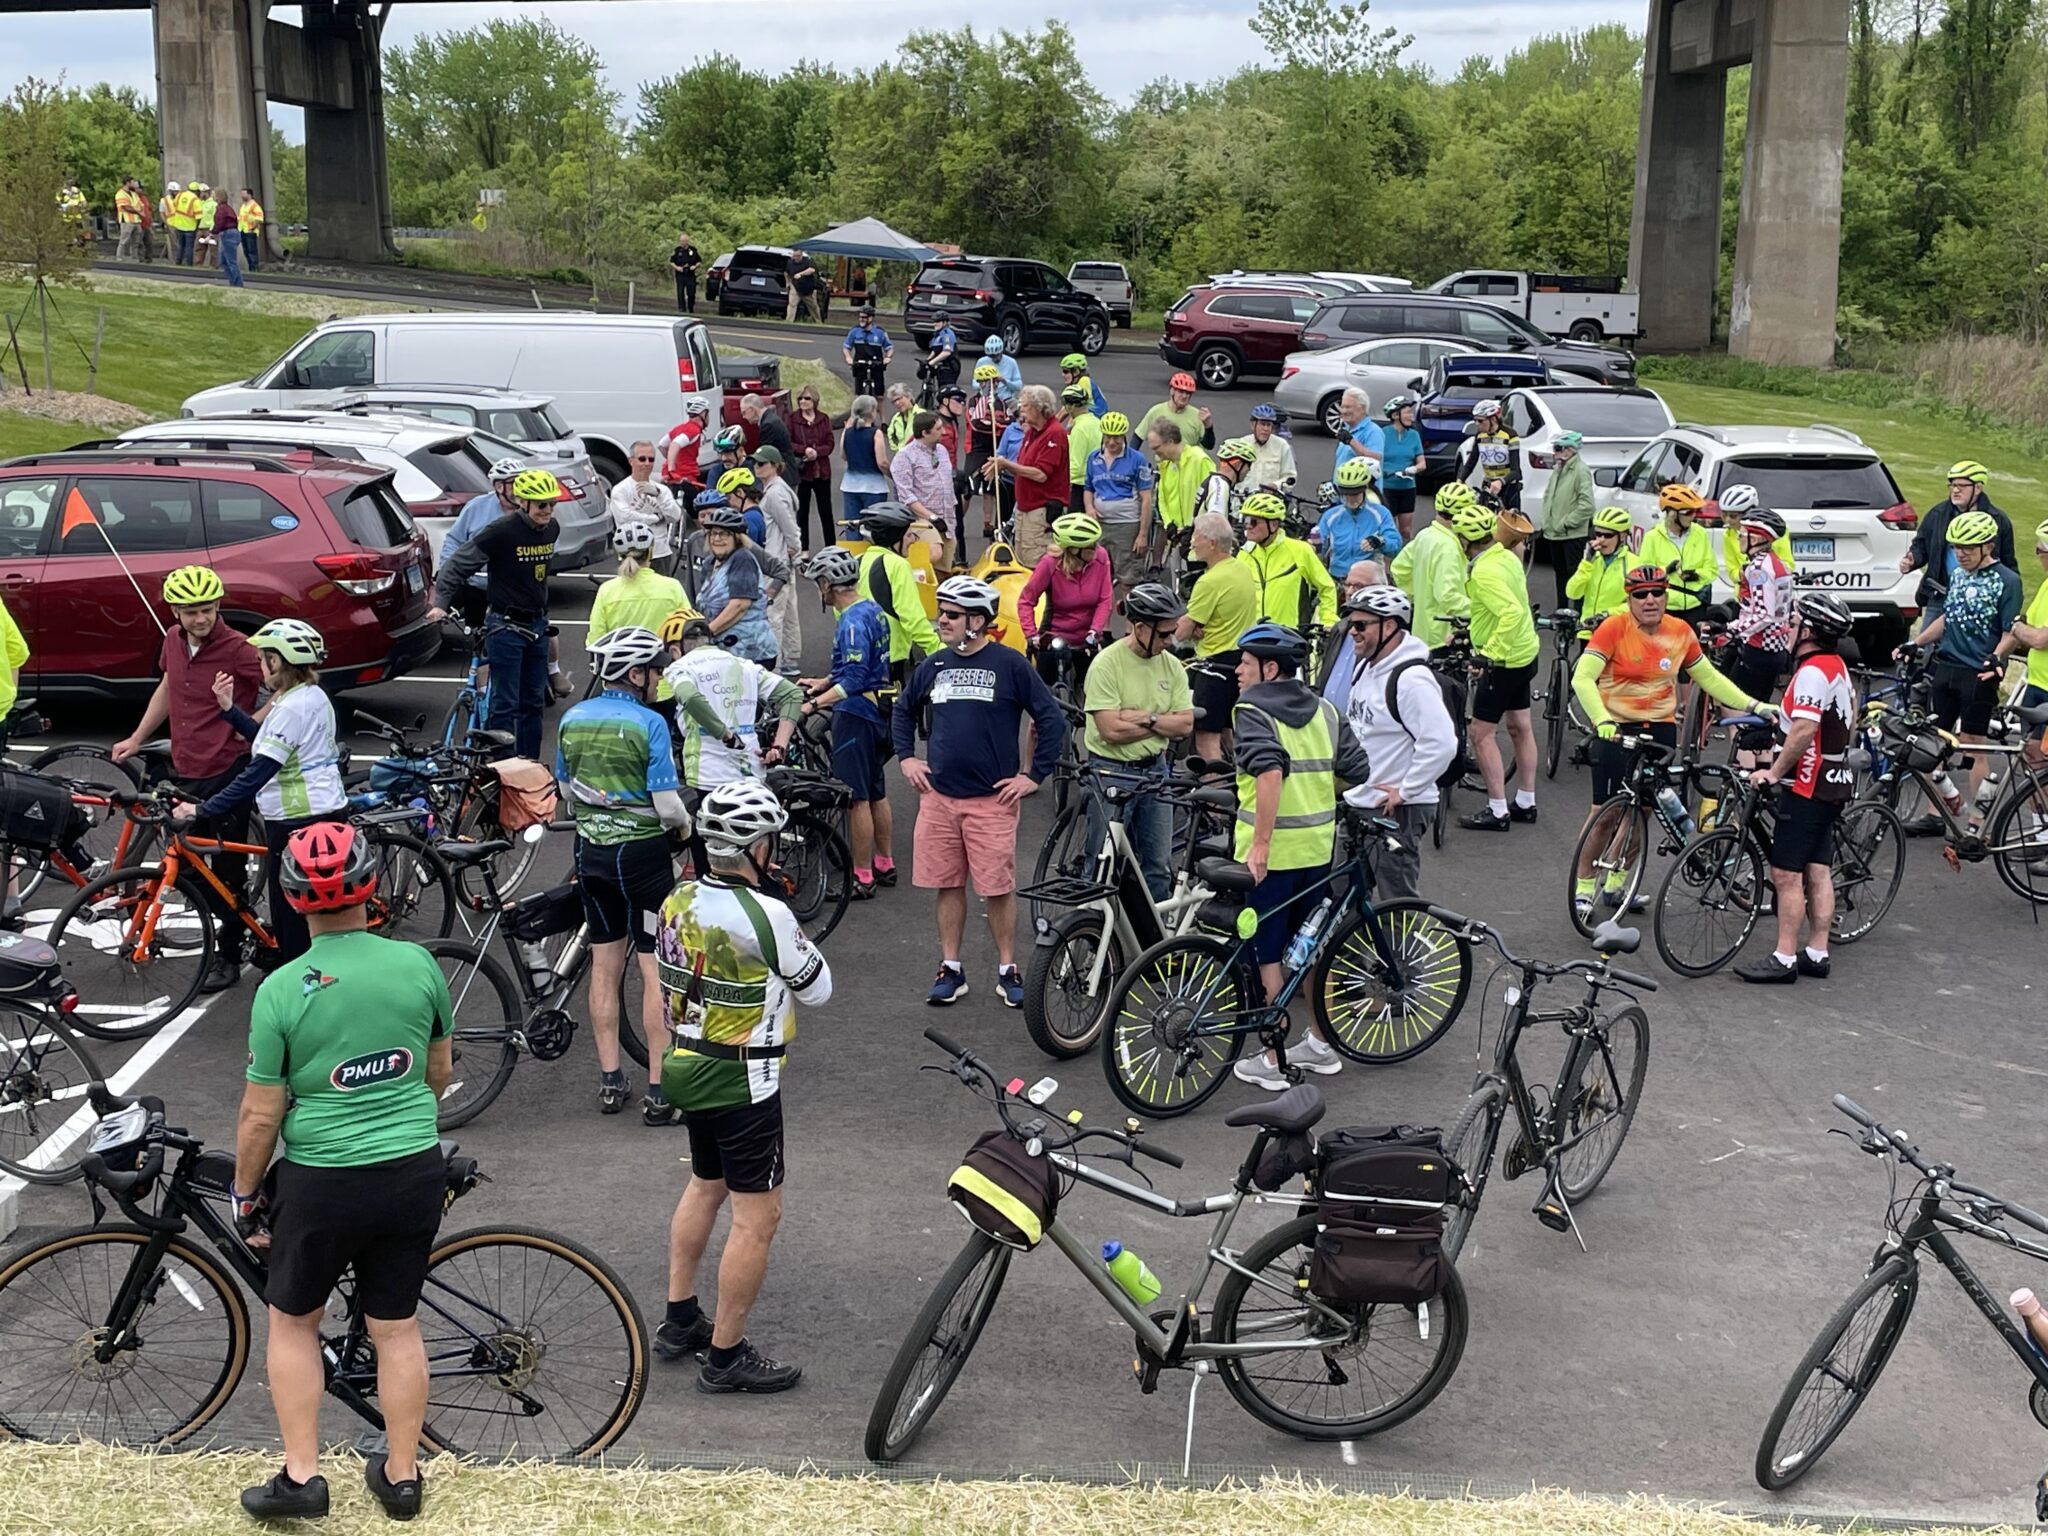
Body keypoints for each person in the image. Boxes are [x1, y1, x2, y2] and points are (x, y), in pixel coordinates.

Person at [232, 821, 453, 1522]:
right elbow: (439, 1074)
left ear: (295, 901)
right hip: (413, 1169)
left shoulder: (281, 989)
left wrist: (244, 1193)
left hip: (322, 1180)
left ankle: (302, 1478)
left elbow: (260, 1117)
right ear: (372, 890)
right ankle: (402, 1473)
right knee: (397, 1327)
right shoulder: (418, 967)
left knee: (294, 1322)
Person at [655, 780, 831, 1394]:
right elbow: (819, 987)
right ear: (757, 847)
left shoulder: (677, 897)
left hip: (687, 1061)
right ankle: (725, 1355)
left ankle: (680, 1319)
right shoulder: (769, 913)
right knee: (758, 1218)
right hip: (745, 1076)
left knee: (706, 1183)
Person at [893, 576, 1065, 1007]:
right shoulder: (933, 665)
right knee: (947, 884)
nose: (941, 621)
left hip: (992, 801)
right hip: (939, 799)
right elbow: (902, 710)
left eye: (950, 615)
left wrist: (1033, 775)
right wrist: (906, 758)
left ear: (977, 620)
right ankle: (951, 968)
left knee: (997, 888)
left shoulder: (1010, 665)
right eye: (941, 613)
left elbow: (1052, 719)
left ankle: (1008, 968)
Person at [1568, 564, 1771, 924]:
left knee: (1645, 812)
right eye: (1640, 594)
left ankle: (1616, 884)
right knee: (1606, 813)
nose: (1650, 600)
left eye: (1657, 592)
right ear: (1628, 599)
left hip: (1659, 730)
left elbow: (1708, 676)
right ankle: (1584, 887)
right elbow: (1583, 677)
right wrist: (1601, 719)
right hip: (1616, 729)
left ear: (1666, 596)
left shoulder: (1680, 631)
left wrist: (1754, 705)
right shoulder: (1613, 628)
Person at [1227, 621, 1372, 1090]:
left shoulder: (1250, 709)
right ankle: (1321, 1045)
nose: (1238, 672)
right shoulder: (1326, 709)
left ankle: (1272, 1060)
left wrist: (1261, 844)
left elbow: (1269, 771)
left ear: (1270, 668)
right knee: (1309, 947)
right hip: (1317, 848)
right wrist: (1318, 797)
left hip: (1270, 856)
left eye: (1245, 664)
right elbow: (1357, 769)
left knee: (1268, 952)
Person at [558, 627, 695, 1117]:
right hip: (641, 858)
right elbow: (667, 805)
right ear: (635, 674)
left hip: (590, 854)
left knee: (604, 965)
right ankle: (660, 1092)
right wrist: (684, 828)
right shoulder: (649, 723)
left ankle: (611, 1081)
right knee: (652, 968)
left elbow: (568, 792)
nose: (657, 678)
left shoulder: (571, 719)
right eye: (654, 669)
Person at [112, 565, 266, 990]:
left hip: (228, 770)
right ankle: (243, 919)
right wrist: (138, 737)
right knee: (191, 865)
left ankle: (230, 955)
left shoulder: (239, 649)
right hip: (187, 767)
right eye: (191, 611)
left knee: (227, 869)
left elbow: (292, 686)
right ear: (175, 612)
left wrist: (251, 722)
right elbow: (167, 686)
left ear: (218, 606)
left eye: (208, 609)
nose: (201, 619)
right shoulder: (172, 642)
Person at [174, 619, 347, 968]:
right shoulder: (308, 696)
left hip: (299, 818)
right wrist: (229, 709)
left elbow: (257, 773)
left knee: (291, 915)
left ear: (278, 661)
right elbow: (265, 740)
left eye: (263, 658)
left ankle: (299, 986)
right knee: (300, 909)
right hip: (319, 809)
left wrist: (200, 810)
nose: (260, 665)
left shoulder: (290, 708)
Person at [1737, 594, 1860, 984]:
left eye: (1794, 622)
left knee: (1786, 874)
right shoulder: (1836, 666)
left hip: (1806, 787)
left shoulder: (1810, 673)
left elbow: (1805, 730)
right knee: (1818, 867)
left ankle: (1784, 957)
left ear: (1808, 631)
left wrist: (1773, 771)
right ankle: (1817, 952)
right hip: (1834, 784)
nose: (1788, 627)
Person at [431, 467, 563, 759]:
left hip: (537, 625)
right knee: (505, 704)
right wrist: (441, 602)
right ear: (523, 503)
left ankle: (529, 767)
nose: (548, 511)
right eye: (542, 505)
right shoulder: (501, 531)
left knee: (533, 703)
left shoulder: (551, 529)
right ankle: (501, 770)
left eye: (552, 504)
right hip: (506, 627)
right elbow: (456, 564)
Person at [1905, 510, 2024, 828]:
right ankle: (1936, 814)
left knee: (1972, 744)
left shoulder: (2007, 581)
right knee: (1936, 743)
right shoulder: (1957, 574)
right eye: (1956, 547)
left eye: (1968, 548)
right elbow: (1947, 618)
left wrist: (1997, 658)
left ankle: (1977, 821)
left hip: (1978, 673)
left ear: (1988, 546)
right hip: (1946, 667)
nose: (1961, 554)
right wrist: (1916, 643)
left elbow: (2010, 631)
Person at [1336, 586, 1456, 900]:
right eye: (1352, 624)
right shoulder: (1366, 666)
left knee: (1396, 903)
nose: (1353, 632)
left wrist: (1406, 790)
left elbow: (1442, 742)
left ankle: (1400, 951)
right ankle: (1351, 951)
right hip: (1360, 803)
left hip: (1396, 811)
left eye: (1361, 625)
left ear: (1389, 626)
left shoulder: (1411, 680)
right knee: (1338, 898)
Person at [1081, 582, 1195, 901]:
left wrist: (1145, 718)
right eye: (1163, 634)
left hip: (1155, 772)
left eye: (1172, 632)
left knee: (1157, 865)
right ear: (1140, 628)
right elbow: (1110, 731)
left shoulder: (1172, 666)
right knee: (1100, 863)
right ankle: (1088, 936)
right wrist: (1162, 723)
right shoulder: (1107, 664)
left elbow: (1185, 725)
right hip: (1110, 771)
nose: (1170, 640)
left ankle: (1151, 948)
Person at [800, 549, 896, 899]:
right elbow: (863, 667)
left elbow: (854, 679)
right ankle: (885, 864)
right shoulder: (872, 610)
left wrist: (814, 704)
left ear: (828, 583)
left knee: (855, 798)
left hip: (856, 715)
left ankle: (862, 877)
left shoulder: (851, 622)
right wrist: (824, 682)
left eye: (818, 584)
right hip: (880, 709)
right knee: (876, 792)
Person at [1453, 501, 1541, 832]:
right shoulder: (1504, 556)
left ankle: (1497, 809)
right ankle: (1526, 801)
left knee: (1481, 733)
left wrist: (1487, 653)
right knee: (1520, 726)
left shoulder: (1484, 571)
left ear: (1465, 541)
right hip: (1525, 653)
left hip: (1502, 661)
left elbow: (1510, 613)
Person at [658, 607, 800, 789]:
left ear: (675, 651)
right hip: (752, 771)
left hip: (708, 774)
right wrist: (778, 746)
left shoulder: (681, 667)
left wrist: (725, 734)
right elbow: (792, 694)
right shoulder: (744, 665)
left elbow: (690, 697)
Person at [1178, 511, 1263, 762]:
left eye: (1197, 537)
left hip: (1212, 666)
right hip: (1239, 662)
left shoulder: (1209, 581)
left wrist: (1190, 628)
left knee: (1206, 740)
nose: (1192, 542)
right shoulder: (1242, 569)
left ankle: (1214, 798)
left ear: (1213, 543)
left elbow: (1180, 633)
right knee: (1229, 733)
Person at [1902, 460, 2016, 606]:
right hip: (1940, 594)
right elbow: (1921, 544)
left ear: (1978, 488)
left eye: (1962, 486)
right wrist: (1913, 560)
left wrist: (2009, 599)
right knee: (1929, 630)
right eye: (1953, 485)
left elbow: (2007, 561)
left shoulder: (1998, 520)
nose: (1955, 490)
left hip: (1980, 597)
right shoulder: (1938, 514)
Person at [1019, 513, 1115, 686]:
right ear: (1072, 550)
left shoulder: (1101, 557)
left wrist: (1095, 631)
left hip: (1087, 636)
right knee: (1042, 695)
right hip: (1055, 635)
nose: (1095, 549)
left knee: (1096, 689)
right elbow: (1026, 601)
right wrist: (1031, 635)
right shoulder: (1049, 564)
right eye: (1089, 547)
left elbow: (1105, 599)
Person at [1722, 501, 1797, 705]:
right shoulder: (1776, 562)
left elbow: (1764, 614)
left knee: (1734, 703)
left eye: (1743, 533)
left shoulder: (1758, 569)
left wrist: (1732, 629)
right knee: (1759, 704)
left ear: (1755, 538)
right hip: (1776, 648)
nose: (1738, 537)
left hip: (1759, 648)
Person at [987, 384, 1068, 569]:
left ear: (1039, 408)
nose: (1020, 409)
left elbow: (1041, 474)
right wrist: (999, 464)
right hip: (1025, 507)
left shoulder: (1054, 433)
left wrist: (1007, 465)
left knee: (1036, 561)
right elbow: (1024, 464)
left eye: (1025, 406)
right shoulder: (1031, 431)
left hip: (1040, 510)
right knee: (1022, 557)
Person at [1237, 491, 1338, 638]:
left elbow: (1327, 587)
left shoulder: (1300, 550)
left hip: (1290, 637)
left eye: (1253, 521)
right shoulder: (1244, 554)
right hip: (1251, 636)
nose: (1248, 527)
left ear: (1273, 524)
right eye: (1245, 520)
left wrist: (1328, 620)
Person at [693, 504, 779, 670]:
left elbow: (739, 605)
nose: (717, 539)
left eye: (724, 534)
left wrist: (707, 634)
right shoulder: (711, 562)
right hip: (725, 649)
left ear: (737, 538)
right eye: (713, 533)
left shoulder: (742, 559)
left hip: (750, 652)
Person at [1390, 484, 1475, 649]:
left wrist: (1419, 597)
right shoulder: (1449, 548)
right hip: (1444, 635)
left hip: (1421, 630)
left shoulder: (1425, 535)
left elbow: (1399, 569)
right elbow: (1447, 596)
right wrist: (1481, 610)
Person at [1081, 410, 1156, 581]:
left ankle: (1127, 606)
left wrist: (1142, 534)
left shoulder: (1137, 459)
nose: (1111, 442)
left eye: (1117, 438)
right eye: (1108, 437)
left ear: (1124, 437)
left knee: (1128, 577)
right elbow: (1088, 488)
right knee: (1097, 576)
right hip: (1100, 526)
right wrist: (1089, 508)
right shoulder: (1094, 457)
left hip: (1126, 525)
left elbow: (1146, 498)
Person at [591, 522, 688, 644]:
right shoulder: (672, 587)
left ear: (620, 555)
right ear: (651, 552)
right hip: (663, 658)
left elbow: (595, 638)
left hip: (619, 659)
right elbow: (686, 628)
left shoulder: (607, 590)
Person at [1142, 419, 1214, 578]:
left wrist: (1194, 528)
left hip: (1198, 540)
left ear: (1170, 442)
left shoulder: (1199, 459)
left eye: (1157, 448)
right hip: (1177, 540)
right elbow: (1162, 499)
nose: (1155, 454)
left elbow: (1212, 497)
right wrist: (1170, 525)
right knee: (1178, 588)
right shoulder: (1165, 464)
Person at [890, 409, 957, 569]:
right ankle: (899, 569)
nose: (944, 432)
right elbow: (906, 496)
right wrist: (932, 517)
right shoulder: (904, 456)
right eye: (939, 429)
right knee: (934, 553)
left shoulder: (941, 451)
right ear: (925, 433)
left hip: (947, 518)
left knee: (943, 570)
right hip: (921, 519)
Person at [1636, 483, 1715, 616]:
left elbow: (1712, 570)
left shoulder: (1700, 533)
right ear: (1672, 514)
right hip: (1665, 608)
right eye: (1688, 512)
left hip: (1695, 606)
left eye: (1695, 511)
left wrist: (1696, 575)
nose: (1693, 516)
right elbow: (1644, 575)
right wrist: (1665, 571)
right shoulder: (1652, 537)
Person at [1537, 430, 1595, 608]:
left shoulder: (1581, 471)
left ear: (1570, 450)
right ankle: (1561, 610)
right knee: (1560, 574)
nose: (1555, 453)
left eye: (1558, 448)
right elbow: (1550, 497)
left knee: (1575, 575)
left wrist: (1566, 523)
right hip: (1555, 533)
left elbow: (1587, 505)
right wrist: (1547, 523)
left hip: (1572, 535)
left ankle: (1578, 613)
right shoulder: (1558, 469)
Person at [1315, 458, 1402, 574]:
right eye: (1346, 495)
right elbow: (1318, 548)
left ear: (1365, 488)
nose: (1350, 500)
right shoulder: (1330, 516)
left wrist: (1380, 542)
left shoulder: (1380, 513)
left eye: (1355, 494)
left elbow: (1395, 546)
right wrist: (1314, 545)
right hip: (1338, 576)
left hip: (1369, 579)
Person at [609, 442, 683, 570]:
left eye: (651, 459)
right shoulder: (620, 489)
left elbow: (675, 516)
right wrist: (655, 518)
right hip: (632, 554)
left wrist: (658, 495)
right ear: (631, 461)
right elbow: (625, 518)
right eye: (642, 459)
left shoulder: (662, 490)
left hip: (660, 553)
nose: (647, 463)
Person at [1567, 506, 1636, 637]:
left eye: (1608, 535)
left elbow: (1636, 605)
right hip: (1587, 633)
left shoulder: (1633, 564)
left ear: (1622, 536)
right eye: (1598, 534)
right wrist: (1586, 563)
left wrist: (1607, 614)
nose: (1601, 540)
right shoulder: (1591, 561)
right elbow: (1572, 593)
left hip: (1616, 635)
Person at [964, 363, 1010, 539]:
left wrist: (995, 426)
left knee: (991, 487)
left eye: (995, 383)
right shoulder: (974, 401)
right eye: (990, 383)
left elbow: (1010, 422)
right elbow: (976, 424)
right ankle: (957, 520)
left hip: (994, 448)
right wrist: (998, 426)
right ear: (981, 383)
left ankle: (988, 524)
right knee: (968, 487)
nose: (993, 386)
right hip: (976, 449)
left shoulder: (1001, 403)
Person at [787, 385, 834, 552]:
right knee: (802, 512)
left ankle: (831, 547)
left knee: (826, 511)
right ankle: (804, 549)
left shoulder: (823, 418)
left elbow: (830, 444)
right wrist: (804, 450)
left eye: (806, 398)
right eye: (800, 398)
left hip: (822, 472)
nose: (803, 402)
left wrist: (817, 452)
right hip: (803, 473)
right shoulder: (792, 419)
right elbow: (789, 443)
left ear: (814, 400)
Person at [838, 395, 891, 538]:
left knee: (852, 525)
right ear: (873, 411)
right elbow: (882, 462)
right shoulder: (876, 433)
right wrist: (893, 476)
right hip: (873, 488)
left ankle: (854, 556)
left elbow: (843, 455)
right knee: (873, 527)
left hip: (850, 485)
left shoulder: (847, 431)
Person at [1460, 399, 1521, 511]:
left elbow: (1516, 471)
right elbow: (1470, 464)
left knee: (1507, 525)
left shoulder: (1510, 435)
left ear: (1493, 419)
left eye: (1480, 421)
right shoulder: (1480, 436)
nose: (1477, 424)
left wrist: (1500, 482)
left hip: (1508, 487)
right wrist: (1459, 481)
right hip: (1488, 486)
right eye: (1475, 420)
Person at [1378, 396, 1426, 537]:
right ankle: (1388, 558)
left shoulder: (1414, 435)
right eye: (1407, 413)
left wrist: (1414, 469)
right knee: (1388, 531)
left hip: (1407, 487)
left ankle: (1404, 557)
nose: (1411, 416)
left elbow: (1422, 463)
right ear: (1395, 415)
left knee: (1405, 531)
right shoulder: (1382, 434)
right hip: (1387, 487)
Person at [1137, 373, 1213, 458]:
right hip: (1164, 466)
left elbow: (1209, 445)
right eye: (1181, 391)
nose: (1184, 396)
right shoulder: (1156, 411)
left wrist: (1208, 427)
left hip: (1188, 465)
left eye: (1188, 393)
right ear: (1172, 391)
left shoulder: (1197, 415)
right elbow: (1138, 437)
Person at [1061, 385, 1102, 514]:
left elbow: (1075, 466)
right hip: (1098, 482)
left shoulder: (1079, 429)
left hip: (1080, 488)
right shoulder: (1096, 421)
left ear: (1071, 406)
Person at [1243, 403, 1297, 495]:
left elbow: (1290, 477)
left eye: (1268, 425)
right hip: (1244, 500)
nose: (1266, 429)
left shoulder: (1282, 446)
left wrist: (1276, 485)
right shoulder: (1242, 444)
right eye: (1262, 424)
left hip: (1271, 501)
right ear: (1253, 425)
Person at [1332, 388, 1384, 478]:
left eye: (1348, 407)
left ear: (1362, 409)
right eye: (1342, 407)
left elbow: (1375, 459)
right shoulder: (1347, 429)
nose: (1343, 411)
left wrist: (1351, 441)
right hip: (1342, 489)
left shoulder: (1374, 431)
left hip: (1362, 491)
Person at [842, 303, 892, 398]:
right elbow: (846, 347)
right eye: (860, 317)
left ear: (871, 318)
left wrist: (888, 358)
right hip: (860, 364)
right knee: (858, 395)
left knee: (879, 396)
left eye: (864, 317)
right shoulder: (854, 331)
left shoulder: (880, 332)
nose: (861, 319)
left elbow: (889, 348)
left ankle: (881, 413)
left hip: (876, 364)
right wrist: (848, 358)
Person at [741, 392, 795, 469]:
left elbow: (764, 455)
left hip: (784, 472)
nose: (743, 417)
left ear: (752, 410)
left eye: (744, 412)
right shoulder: (770, 418)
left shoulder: (768, 425)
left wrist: (744, 458)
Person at [921, 317, 961, 403]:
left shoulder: (947, 334)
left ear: (945, 323)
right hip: (941, 366)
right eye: (934, 322)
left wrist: (932, 362)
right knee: (940, 391)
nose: (935, 324)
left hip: (950, 366)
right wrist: (927, 361)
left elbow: (946, 352)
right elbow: (935, 351)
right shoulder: (937, 334)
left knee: (947, 393)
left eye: (938, 321)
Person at [1059, 352, 1108, 417]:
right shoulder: (1076, 383)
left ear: (1076, 371)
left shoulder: (1084, 381)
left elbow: (1077, 407)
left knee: (1076, 410)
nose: (1062, 375)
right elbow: (1066, 407)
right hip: (1093, 413)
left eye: (1066, 371)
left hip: (1098, 414)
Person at [981, 335, 1023, 406]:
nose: (994, 359)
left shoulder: (1011, 362)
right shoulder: (981, 362)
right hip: (987, 399)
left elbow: (1019, 386)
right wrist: (983, 383)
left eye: (996, 356)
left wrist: (1005, 381)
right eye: (991, 356)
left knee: (1018, 410)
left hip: (1007, 400)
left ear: (1001, 352)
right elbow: (974, 384)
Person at [216, 189, 244, 288]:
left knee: (231, 261)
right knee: (224, 261)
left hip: (227, 234)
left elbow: (220, 221)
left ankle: (237, 284)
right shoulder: (228, 208)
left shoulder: (222, 209)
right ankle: (233, 282)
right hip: (231, 233)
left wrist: (213, 231)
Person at [786, 248, 823, 323]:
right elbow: (786, 273)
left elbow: (812, 270)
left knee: (813, 307)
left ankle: (818, 322)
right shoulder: (790, 262)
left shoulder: (807, 261)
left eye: (798, 256)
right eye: (795, 256)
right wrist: (788, 283)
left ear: (801, 255)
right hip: (795, 287)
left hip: (808, 289)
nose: (796, 257)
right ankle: (789, 321)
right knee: (792, 304)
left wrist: (800, 274)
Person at [169, 180, 202, 265]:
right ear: (196, 191)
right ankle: (189, 263)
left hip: (179, 225)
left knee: (180, 245)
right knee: (189, 247)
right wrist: (197, 227)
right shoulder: (195, 199)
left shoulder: (180, 195)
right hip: (190, 227)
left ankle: (178, 261)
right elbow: (198, 216)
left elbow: (174, 206)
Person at [114, 176, 147, 261]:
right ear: (128, 183)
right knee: (124, 240)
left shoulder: (134, 194)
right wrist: (138, 211)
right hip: (126, 220)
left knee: (136, 241)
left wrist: (138, 210)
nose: (134, 184)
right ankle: (119, 257)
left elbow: (141, 205)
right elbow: (126, 207)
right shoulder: (120, 194)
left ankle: (134, 257)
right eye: (132, 182)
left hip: (136, 220)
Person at [883, 383, 919, 457]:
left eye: (899, 399)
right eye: (894, 401)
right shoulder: (896, 418)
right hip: (902, 457)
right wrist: (899, 449)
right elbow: (891, 436)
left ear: (908, 396)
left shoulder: (921, 414)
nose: (897, 403)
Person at [671, 232, 702, 314]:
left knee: (691, 293)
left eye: (683, 241)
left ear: (687, 241)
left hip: (690, 275)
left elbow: (699, 261)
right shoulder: (677, 250)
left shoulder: (693, 250)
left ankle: (690, 308)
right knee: (680, 292)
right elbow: (671, 262)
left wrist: (695, 266)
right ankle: (682, 308)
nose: (682, 243)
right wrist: (677, 268)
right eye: (681, 241)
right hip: (680, 275)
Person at [236, 187, 264, 272]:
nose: (242, 196)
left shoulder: (254, 205)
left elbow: (259, 218)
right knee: (246, 250)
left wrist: (253, 227)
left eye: (244, 194)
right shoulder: (244, 205)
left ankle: (254, 268)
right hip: (243, 230)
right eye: (241, 194)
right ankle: (251, 267)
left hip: (250, 231)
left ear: (249, 195)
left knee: (252, 250)